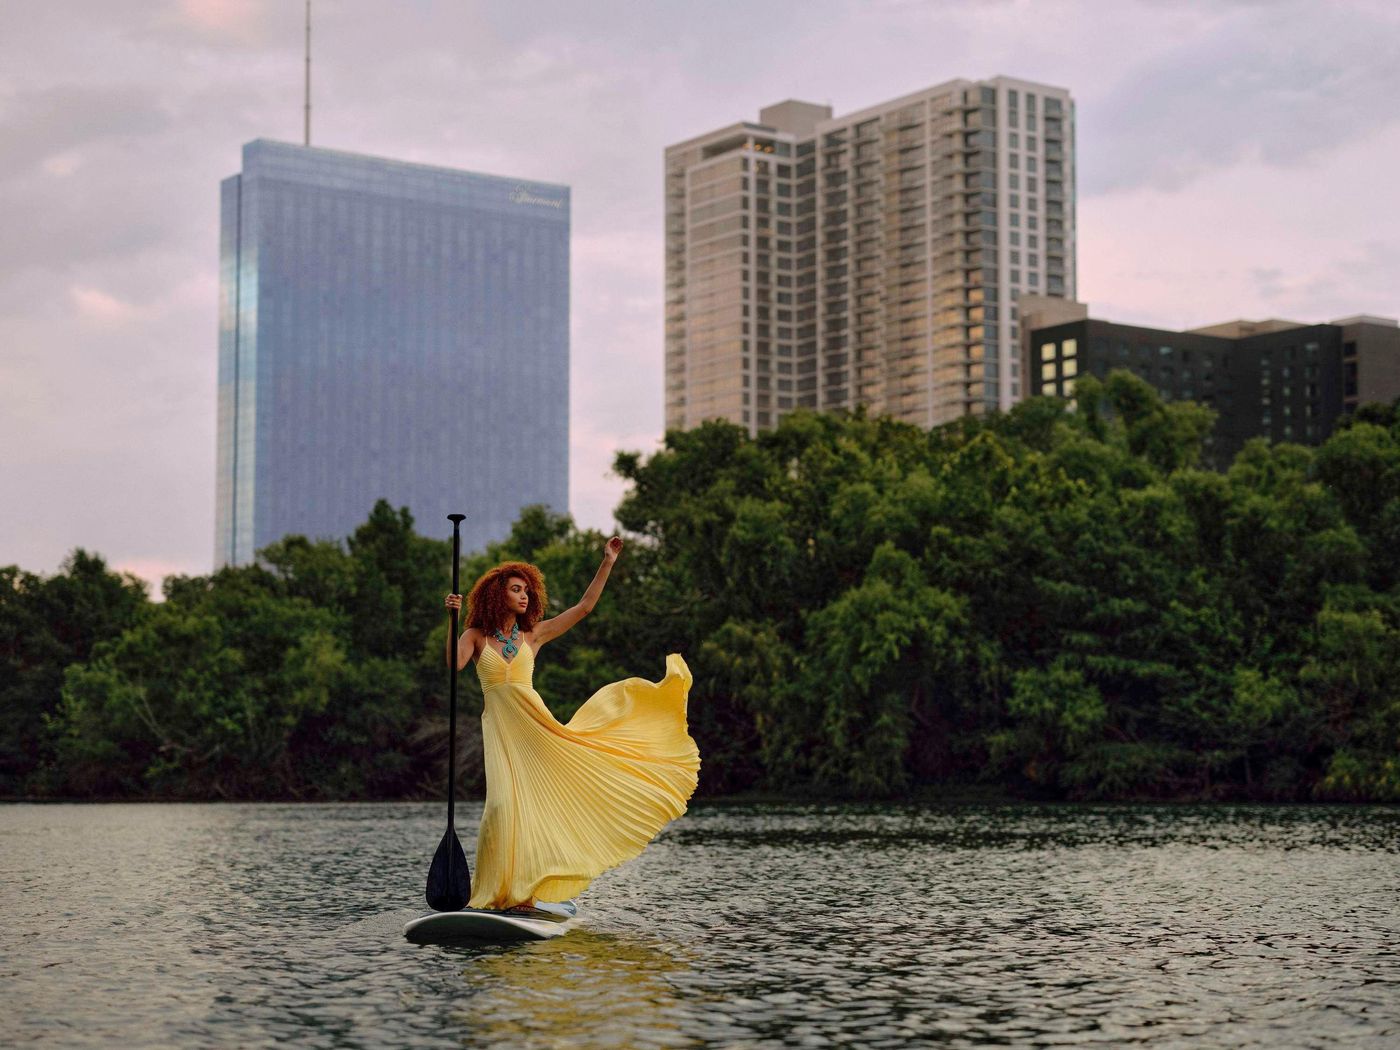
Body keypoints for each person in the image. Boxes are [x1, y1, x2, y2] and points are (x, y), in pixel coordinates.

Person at [443, 536, 700, 912]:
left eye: (527, 590)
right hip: (501, 730)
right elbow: (454, 664)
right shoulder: (476, 636)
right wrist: (452, 618)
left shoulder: (535, 634)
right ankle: (491, 895)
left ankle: (523, 896)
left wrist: (607, 562)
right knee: (500, 808)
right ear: (498, 595)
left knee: (531, 809)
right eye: (516, 589)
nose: (524, 595)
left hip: (538, 729)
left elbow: (583, 608)